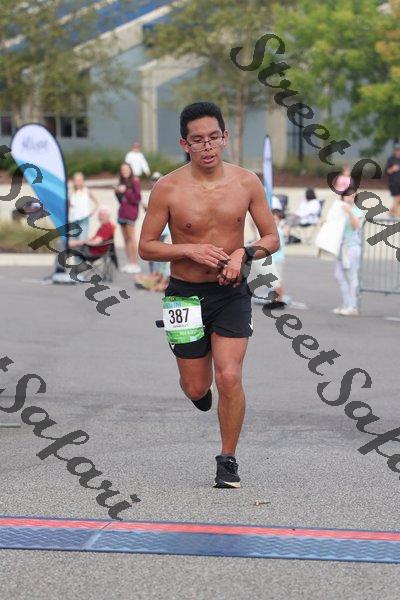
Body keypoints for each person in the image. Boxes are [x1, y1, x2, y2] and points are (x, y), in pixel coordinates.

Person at [139, 101, 279, 489]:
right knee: (196, 387)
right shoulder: (168, 188)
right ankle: (199, 393)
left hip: (231, 292)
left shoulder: (247, 182)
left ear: (225, 137)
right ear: (184, 144)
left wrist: (243, 253)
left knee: (229, 375)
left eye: (214, 137)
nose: (207, 146)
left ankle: (227, 459)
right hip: (184, 295)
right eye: (198, 140)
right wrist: (189, 250)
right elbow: (146, 247)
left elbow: (272, 237)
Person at [332, 186, 364, 317]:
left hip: (352, 247)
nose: (349, 198)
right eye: (347, 196)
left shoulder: (357, 210)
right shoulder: (339, 209)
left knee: (352, 276)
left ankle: (353, 306)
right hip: (341, 247)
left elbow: (356, 226)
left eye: (352, 196)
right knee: (338, 275)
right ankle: (346, 303)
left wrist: (350, 212)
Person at [115, 162, 142, 274]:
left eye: (126, 169)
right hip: (122, 213)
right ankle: (130, 262)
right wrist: (117, 192)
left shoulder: (135, 181)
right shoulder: (121, 182)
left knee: (131, 238)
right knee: (125, 239)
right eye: (122, 169)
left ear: (130, 170)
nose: (124, 171)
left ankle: (135, 264)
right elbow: (120, 200)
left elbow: (137, 198)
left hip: (131, 214)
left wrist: (125, 191)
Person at [69, 172, 98, 241]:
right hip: (73, 219)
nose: (78, 182)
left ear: (83, 181)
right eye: (76, 180)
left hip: (84, 218)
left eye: (80, 180)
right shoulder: (71, 192)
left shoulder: (87, 191)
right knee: (74, 240)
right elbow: (68, 205)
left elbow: (97, 203)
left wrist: (93, 211)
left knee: (82, 239)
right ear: (74, 181)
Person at [385, 143, 400, 217]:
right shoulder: (390, 159)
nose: (398, 151)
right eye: (397, 150)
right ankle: (397, 215)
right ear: (394, 151)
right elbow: (387, 171)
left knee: (398, 199)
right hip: (394, 183)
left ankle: (391, 212)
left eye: (399, 150)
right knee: (397, 197)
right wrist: (392, 169)